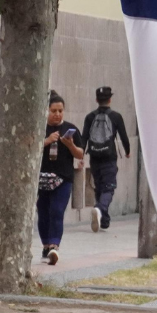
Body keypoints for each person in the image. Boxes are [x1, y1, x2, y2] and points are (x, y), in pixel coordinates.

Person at [37, 93, 83, 265]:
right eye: (53, 110)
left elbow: (80, 153)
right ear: (46, 111)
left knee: (57, 210)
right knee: (43, 213)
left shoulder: (71, 129)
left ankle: (54, 247)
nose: (57, 114)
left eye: (60, 111)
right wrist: (47, 141)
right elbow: (29, 148)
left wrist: (70, 144)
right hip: (42, 178)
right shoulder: (40, 128)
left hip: (64, 178)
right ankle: (46, 245)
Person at [81, 86, 131, 232]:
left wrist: (80, 154)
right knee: (109, 188)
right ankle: (100, 208)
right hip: (109, 157)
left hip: (94, 157)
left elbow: (84, 137)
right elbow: (123, 136)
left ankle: (104, 221)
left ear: (97, 100)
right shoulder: (116, 116)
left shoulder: (90, 117)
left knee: (99, 187)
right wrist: (127, 151)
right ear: (110, 99)